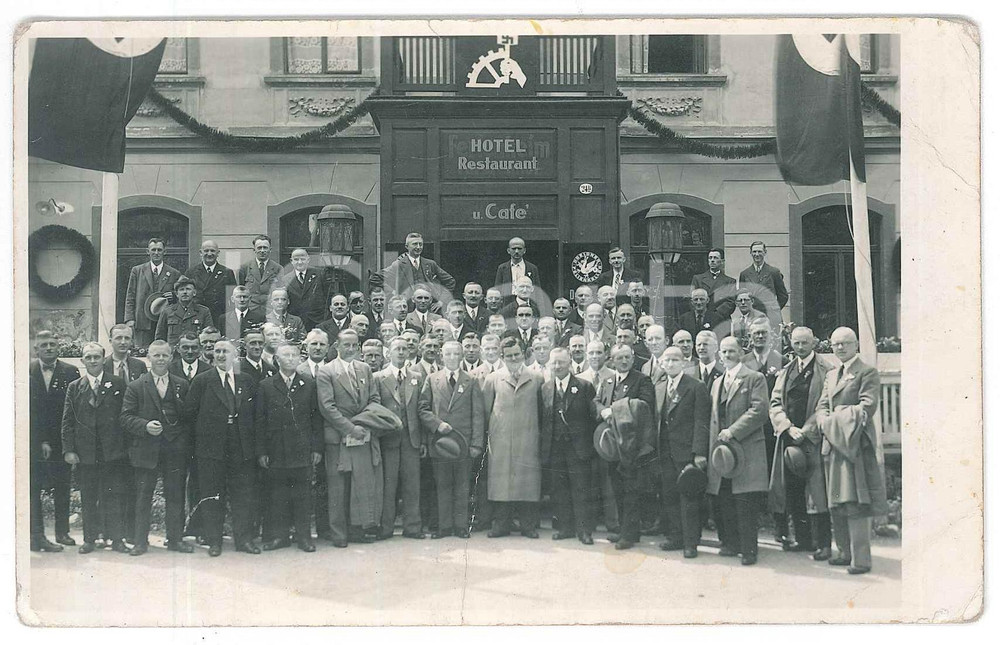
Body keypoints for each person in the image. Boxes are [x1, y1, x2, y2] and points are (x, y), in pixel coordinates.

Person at [813, 327, 888, 575]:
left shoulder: (867, 372)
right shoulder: (832, 374)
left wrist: (831, 420)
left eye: (845, 343)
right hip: (833, 445)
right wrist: (825, 421)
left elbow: (867, 407)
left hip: (854, 445)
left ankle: (861, 559)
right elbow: (822, 405)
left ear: (856, 344)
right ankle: (844, 552)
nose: (840, 348)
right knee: (836, 501)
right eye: (835, 344)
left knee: (856, 502)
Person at [184, 339, 260, 557]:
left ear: (234, 355)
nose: (220, 355)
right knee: (212, 495)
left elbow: (255, 415)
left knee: (242, 495)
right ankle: (214, 540)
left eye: (225, 351)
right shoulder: (202, 381)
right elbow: (190, 415)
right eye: (217, 351)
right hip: (212, 449)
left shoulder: (246, 380)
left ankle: (243, 540)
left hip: (241, 447)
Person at [120, 339, 193, 555]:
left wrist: (181, 442)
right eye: (156, 355)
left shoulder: (182, 384)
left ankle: (175, 539)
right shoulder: (136, 386)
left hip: (174, 450)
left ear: (171, 358)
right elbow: (125, 417)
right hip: (146, 450)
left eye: (164, 355)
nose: (160, 359)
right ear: (148, 358)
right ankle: (140, 541)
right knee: (143, 495)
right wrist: (144, 426)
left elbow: (189, 418)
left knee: (175, 494)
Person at [768, 326, 833, 560]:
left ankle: (823, 543)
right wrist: (787, 427)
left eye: (804, 342)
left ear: (814, 342)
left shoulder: (827, 370)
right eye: (796, 343)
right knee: (793, 490)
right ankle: (803, 540)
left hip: (813, 439)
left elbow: (826, 405)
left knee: (818, 492)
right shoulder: (786, 371)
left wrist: (806, 431)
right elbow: (775, 403)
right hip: (789, 438)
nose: (800, 347)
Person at [316, 329, 384, 546]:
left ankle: (357, 530)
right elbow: (327, 406)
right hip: (338, 436)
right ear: (337, 346)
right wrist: (349, 428)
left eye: (355, 345)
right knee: (338, 488)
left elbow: (374, 399)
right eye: (346, 345)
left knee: (360, 485)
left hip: (361, 434)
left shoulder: (364, 369)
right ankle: (339, 534)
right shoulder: (327, 371)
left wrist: (362, 424)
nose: (351, 349)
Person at [706, 336, 769, 566]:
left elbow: (760, 410)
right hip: (723, 451)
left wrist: (733, 431)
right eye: (723, 351)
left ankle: (749, 550)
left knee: (745, 500)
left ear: (741, 352)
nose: (727, 355)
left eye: (731, 351)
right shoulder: (716, 383)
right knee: (725, 498)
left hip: (746, 447)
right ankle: (731, 544)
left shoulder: (754, 378)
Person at [61, 342, 129, 553]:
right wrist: (69, 449)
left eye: (96, 357)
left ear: (103, 358)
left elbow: (125, 416)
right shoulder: (75, 387)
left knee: (114, 495)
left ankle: (116, 539)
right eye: (88, 357)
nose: (92, 361)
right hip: (86, 452)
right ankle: (89, 539)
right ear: (82, 361)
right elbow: (68, 421)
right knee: (89, 496)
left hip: (112, 451)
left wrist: (124, 448)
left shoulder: (117, 383)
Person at [255, 343, 323, 553]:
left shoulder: (309, 384)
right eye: (286, 355)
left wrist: (316, 448)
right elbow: (260, 421)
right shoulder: (266, 385)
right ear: (277, 359)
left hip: (301, 449)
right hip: (276, 449)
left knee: (302, 495)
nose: (291, 358)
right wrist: (262, 451)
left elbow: (316, 419)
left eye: (295, 355)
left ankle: (304, 537)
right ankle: (280, 536)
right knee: (278, 495)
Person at [418, 340, 486, 539]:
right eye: (448, 354)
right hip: (440, 443)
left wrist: (476, 444)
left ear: (461, 355)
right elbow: (423, 409)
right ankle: (444, 526)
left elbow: (478, 415)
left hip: (463, 444)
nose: (452, 358)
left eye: (456, 354)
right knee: (443, 484)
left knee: (462, 485)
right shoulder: (432, 379)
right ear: (441, 356)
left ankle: (460, 526)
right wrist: (437, 424)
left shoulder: (471, 380)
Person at [595, 343, 656, 550]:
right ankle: (624, 530)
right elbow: (596, 401)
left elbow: (644, 405)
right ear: (611, 360)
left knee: (631, 491)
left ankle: (629, 534)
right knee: (617, 489)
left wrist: (615, 410)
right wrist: (603, 410)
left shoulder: (642, 379)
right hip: (613, 446)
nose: (624, 361)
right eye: (619, 358)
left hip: (632, 444)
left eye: (627, 357)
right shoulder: (608, 380)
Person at [482, 337, 545, 538]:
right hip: (501, 440)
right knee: (501, 482)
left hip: (528, 438)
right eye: (509, 356)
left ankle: (528, 525)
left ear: (524, 353)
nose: (513, 358)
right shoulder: (493, 379)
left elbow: (542, 410)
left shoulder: (536, 378)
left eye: (517, 354)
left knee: (527, 481)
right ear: (502, 356)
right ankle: (501, 524)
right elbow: (486, 410)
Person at [654, 347, 711, 559]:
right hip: (665, 450)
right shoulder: (659, 387)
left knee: (688, 497)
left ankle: (691, 543)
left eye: (675, 360)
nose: (670, 364)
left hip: (686, 451)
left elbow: (701, 421)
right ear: (662, 363)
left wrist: (698, 452)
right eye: (667, 360)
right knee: (669, 495)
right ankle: (676, 537)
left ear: (684, 362)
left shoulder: (696, 387)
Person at [29, 330, 80, 552]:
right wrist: (40, 441)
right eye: (44, 344)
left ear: (59, 347)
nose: (49, 347)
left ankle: (62, 532)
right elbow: (29, 412)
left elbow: (76, 410)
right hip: (34, 441)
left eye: (52, 344)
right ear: (36, 349)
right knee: (34, 488)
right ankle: (37, 534)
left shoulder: (70, 371)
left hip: (62, 441)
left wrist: (71, 444)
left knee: (62, 486)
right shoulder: (24, 371)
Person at [543, 347, 598, 545]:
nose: (557, 366)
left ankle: (584, 531)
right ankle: (565, 527)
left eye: (561, 363)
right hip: (555, 447)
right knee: (560, 489)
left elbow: (592, 418)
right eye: (554, 363)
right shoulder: (546, 388)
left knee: (581, 489)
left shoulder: (583, 386)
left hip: (578, 448)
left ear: (569, 363)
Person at [375, 337, 427, 540]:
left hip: (411, 440)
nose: (401, 352)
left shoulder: (416, 376)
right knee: (388, 485)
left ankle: (413, 527)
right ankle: (385, 527)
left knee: (412, 485)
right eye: (397, 349)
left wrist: (422, 440)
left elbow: (422, 410)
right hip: (388, 439)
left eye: (404, 349)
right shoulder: (378, 377)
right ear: (388, 353)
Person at [743, 321, 788, 500]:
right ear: (750, 337)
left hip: (772, 423)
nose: (760, 336)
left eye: (764, 333)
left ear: (771, 336)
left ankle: (774, 510)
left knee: (771, 463)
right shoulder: (743, 362)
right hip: (751, 421)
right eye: (757, 333)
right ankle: (757, 508)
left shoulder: (781, 361)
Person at [578, 340, 619, 536]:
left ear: (605, 355)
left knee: (609, 482)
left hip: (607, 436)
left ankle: (613, 523)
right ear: (587, 355)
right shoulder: (578, 378)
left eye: (599, 352)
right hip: (584, 437)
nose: (595, 356)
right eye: (591, 352)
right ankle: (590, 522)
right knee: (588, 482)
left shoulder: (613, 377)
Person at [296, 329, 331, 541]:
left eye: (321, 345)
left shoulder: (334, 370)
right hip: (302, 435)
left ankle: (324, 526)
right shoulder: (297, 370)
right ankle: (300, 529)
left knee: (325, 482)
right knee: (301, 482)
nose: (317, 348)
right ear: (306, 347)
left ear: (327, 348)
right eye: (313, 344)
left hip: (328, 433)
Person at [124, 237, 180, 348]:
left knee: (162, 353)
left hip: (165, 322)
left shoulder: (173, 273)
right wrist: (129, 319)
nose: (156, 253)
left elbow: (180, 295)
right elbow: (130, 296)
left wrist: (174, 296)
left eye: (159, 250)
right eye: (153, 250)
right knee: (141, 352)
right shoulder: (137, 271)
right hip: (142, 322)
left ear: (165, 252)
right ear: (147, 251)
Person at [382, 232, 456, 307]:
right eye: (415, 244)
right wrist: (393, 292)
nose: (418, 247)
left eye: (420, 244)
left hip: (428, 308)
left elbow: (450, 281)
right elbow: (377, 279)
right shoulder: (398, 265)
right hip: (407, 308)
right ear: (407, 246)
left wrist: (442, 301)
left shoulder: (430, 264)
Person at [186, 240, 238, 329]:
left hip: (219, 315)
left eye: (212, 251)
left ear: (218, 253)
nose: (209, 254)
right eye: (206, 251)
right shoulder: (191, 272)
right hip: (197, 315)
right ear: (200, 253)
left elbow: (233, 299)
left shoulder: (227, 273)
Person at [737, 241, 789, 330]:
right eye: (754, 252)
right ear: (750, 253)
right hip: (752, 316)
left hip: (771, 317)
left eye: (759, 251)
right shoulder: (744, 274)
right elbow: (742, 297)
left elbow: (783, 296)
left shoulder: (774, 272)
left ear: (765, 252)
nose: (757, 254)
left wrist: (774, 309)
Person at [155, 276, 214, 348]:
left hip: (195, 352)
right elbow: (160, 338)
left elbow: (210, 336)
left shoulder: (204, 311)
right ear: (176, 294)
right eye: (181, 289)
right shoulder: (167, 311)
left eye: (188, 289)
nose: (185, 292)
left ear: (194, 292)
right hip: (173, 354)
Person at [238, 234, 283, 316]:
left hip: (270, 311)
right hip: (250, 310)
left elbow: (280, 292)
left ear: (270, 249)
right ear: (254, 250)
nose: (262, 250)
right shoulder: (244, 268)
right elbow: (241, 290)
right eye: (259, 248)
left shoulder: (278, 268)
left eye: (265, 248)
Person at [691, 248, 737, 318]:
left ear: (722, 261)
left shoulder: (730, 281)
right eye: (710, 258)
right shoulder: (698, 279)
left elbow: (731, 303)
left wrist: (716, 314)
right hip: (702, 317)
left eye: (715, 258)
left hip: (721, 318)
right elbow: (692, 299)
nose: (712, 260)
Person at [494, 237, 540, 301]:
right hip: (507, 302)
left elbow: (537, 290)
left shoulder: (532, 268)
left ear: (524, 250)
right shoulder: (502, 268)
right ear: (508, 250)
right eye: (514, 248)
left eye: (519, 248)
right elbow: (498, 289)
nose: (516, 251)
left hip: (526, 301)